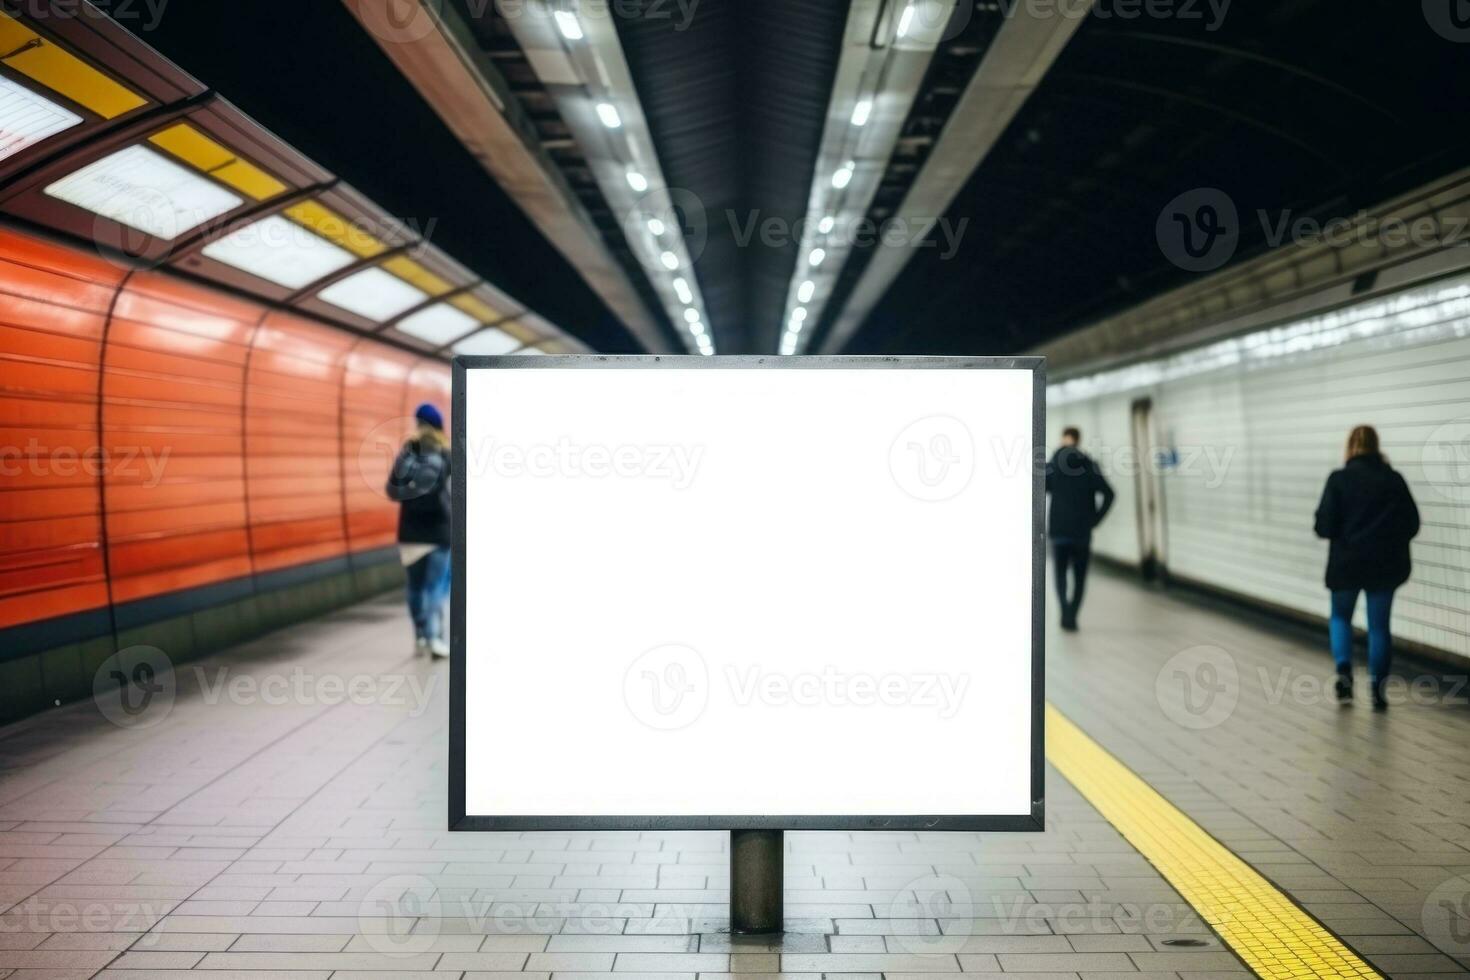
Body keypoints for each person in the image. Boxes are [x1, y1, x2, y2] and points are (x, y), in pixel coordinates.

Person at [1313, 425, 1419, 710]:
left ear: (1349, 446)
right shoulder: (1393, 480)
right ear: (1376, 446)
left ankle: (1345, 673)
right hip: (1385, 566)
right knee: (1379, 627)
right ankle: (1378, 693)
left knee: (1340, 617)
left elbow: (1323, 526)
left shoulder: (1338, 480)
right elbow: (1412, 524)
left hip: (1346, 564)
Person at [387, 403, 452, 658]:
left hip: (411, 531)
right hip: (439, 530)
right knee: (435, 586)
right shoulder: (446, 452)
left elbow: (392, 490)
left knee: (415, 587)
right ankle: (436, 636)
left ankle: (421, 636)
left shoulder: (407, 452)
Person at [1045, 427, 1115, 631]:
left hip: (1059, 531)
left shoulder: (1053, 465)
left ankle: (1064, 612)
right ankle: (1073, 615)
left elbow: (1042, 487)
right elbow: (1110, 494)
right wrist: (1095, 520)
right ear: (1078, 440)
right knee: (1080, 576)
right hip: (1082, 533)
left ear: (1063, 440)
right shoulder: (1090, 465)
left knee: (1059, 574)